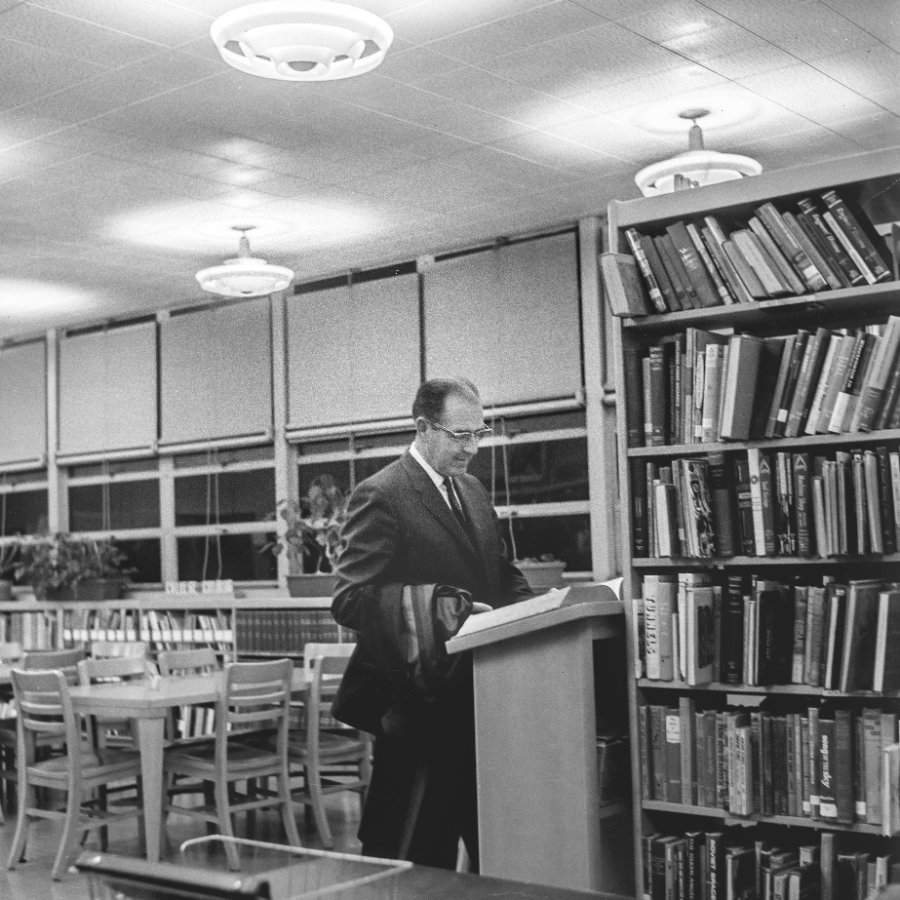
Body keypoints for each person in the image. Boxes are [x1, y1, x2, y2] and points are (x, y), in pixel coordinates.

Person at [331, 376, 533, 871]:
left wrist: (534, 612)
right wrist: (443, 609)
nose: (472, 448)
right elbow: (350, 599)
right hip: (417, 709)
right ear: (423, 428)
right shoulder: (381, 493)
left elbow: (497, 570)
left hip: (481, 699)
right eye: (460, 435)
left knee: (497, 853)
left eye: (479, 433)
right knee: (413, 863)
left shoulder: (473, 490)